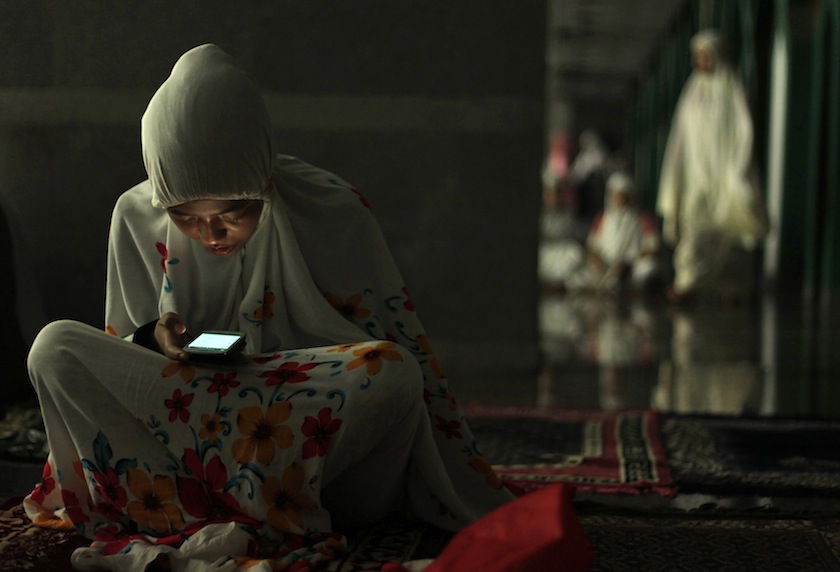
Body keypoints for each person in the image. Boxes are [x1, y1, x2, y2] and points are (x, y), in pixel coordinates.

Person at [21, 44, 533, 571]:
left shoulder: (331, 208)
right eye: (186, 216)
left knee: (394, 374)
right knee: (53, 347)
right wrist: (155, 340)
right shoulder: (134, 216)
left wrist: (260, 378)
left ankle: (223, 510)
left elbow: (392, 353)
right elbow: (123, 371)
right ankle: (225, 510)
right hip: (188, 430)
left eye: (234, 211)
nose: (211, 233)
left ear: (264, 180)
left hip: (308, 451)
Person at [656, 29, 769, 304]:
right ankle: (687, 284)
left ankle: (732, 290)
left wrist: (738, 169)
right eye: (697, 56)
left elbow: (744, 132)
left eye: (705, 56)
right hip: (697, 177)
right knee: (695, 233)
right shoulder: (692, 91)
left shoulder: (732, 88)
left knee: (730, 239)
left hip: (725, 177)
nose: (700, 62)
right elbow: (680, 137)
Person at [585, 172, 661, 293]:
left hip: (633, 266)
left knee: (648, 268)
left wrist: (627, 262)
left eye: (624, 195)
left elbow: (652, 248)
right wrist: (600, 262)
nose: (620, 199)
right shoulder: (602, 218)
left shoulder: (644, 218)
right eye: (616, 195)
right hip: (606, 266)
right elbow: (592, 247)